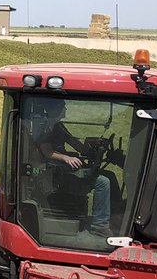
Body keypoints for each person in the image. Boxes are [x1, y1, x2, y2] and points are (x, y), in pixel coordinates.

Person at [33, 98, 112, 244]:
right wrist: (66, 158)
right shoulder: (45, 127)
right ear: (55, 109)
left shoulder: (59, 126)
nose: (65, 109)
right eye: (63, 106)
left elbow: (76, 144)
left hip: (64, 171)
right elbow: (46, 151)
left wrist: (94, 146)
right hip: (56, 176)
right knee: (103, 182)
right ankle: (99, 226)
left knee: (109, 175)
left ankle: (111, 216)